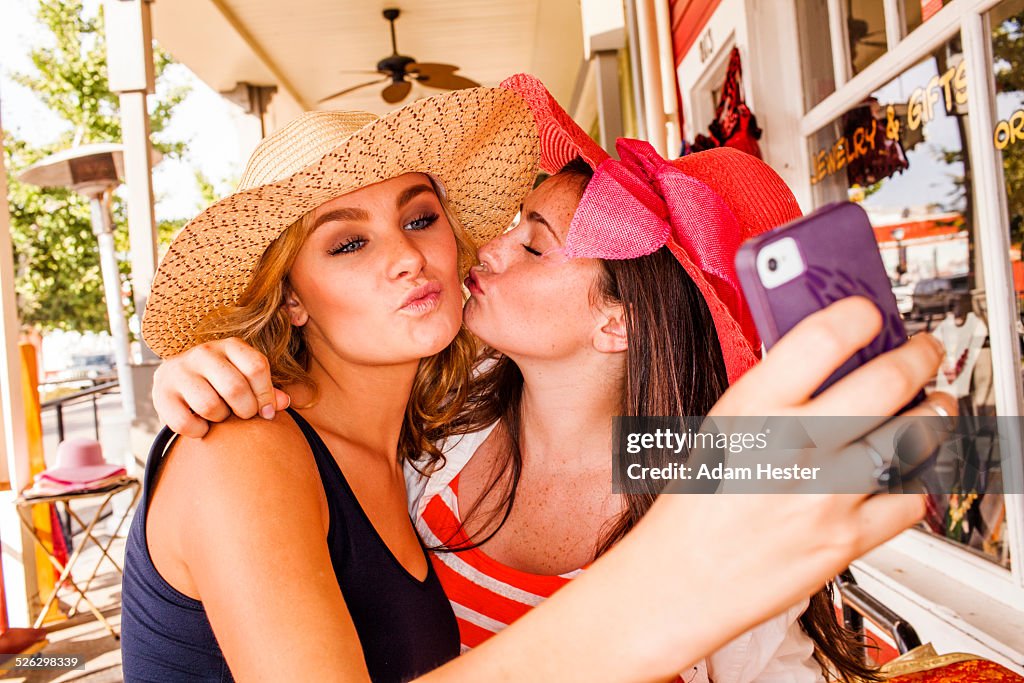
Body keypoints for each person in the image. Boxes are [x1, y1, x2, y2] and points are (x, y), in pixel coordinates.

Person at [145, 79, 955, 682]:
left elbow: (929, 461)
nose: (413, 255)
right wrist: (192, 378)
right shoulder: (435, 443)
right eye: (347, 244)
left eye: (422, 218)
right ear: (289, 293)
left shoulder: (661, 460)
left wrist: (951, 449)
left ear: (619, 323)